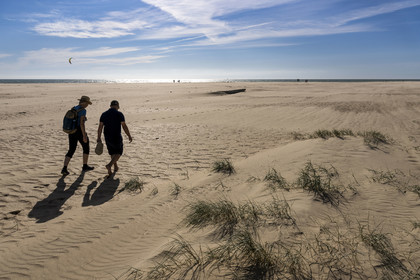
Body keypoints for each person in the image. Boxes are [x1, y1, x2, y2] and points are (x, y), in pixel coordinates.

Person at [97, 100, 133, 176]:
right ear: (117, 106)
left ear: (110, 106)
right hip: (116, 135)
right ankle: (109, 165)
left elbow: (100, 126)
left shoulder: (104, 114)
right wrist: (129, 135)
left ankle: (115, 166)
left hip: (107, 135)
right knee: (119, 152)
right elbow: (124, 126)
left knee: (112, 151)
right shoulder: (119, 114)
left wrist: (99, 137)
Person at [62, 96, 95, 175]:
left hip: (71, 131)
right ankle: (85, 165)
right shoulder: (83, 110)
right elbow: (81, 124)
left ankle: (64, 168)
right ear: (84, 103)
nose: (87, 105)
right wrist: (84, 135)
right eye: (87, 103)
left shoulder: (74, 108)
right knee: (86, 147)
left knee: (71, 149)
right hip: (78, 131)